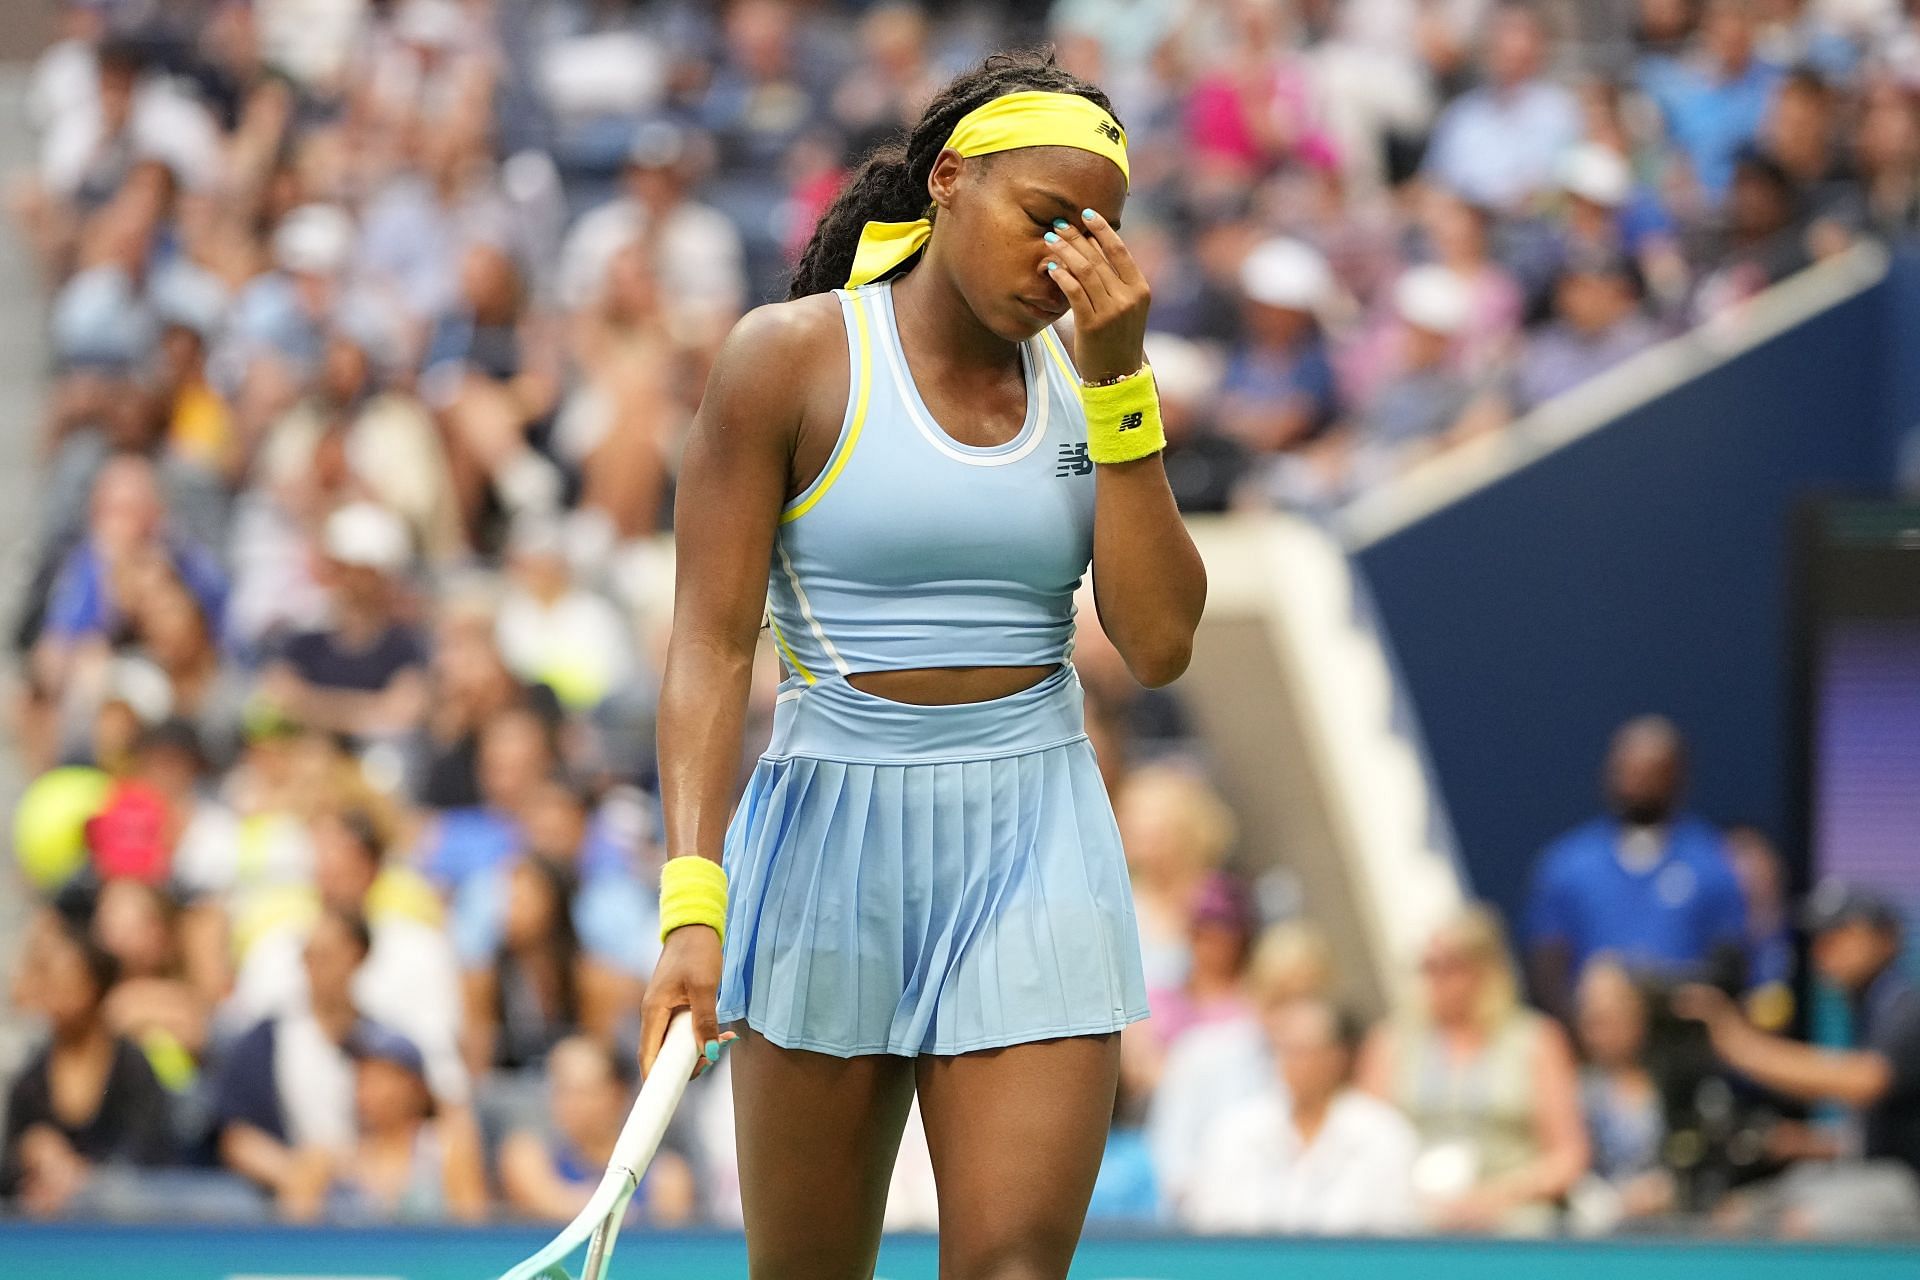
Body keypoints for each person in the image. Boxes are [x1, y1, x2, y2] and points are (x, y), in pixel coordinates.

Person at [638, 51, 1206, 1280]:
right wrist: (693, 898)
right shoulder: (782, 359)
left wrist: (1121, 383)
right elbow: (707, 645)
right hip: (826, 839)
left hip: (1038, 836)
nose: (1064, 262)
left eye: (1093, 234)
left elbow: (1157, 644)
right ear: (949, 180)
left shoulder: (1093, 374)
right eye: (1040, 219)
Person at [1676, 882, 1920, 1237]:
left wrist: (1740, 1044)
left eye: (1843, 932)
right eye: (1821, 936)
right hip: (1876, 1176)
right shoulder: (1867, 1011)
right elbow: (1879, 1132)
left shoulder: (1908, 1007)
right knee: (1739, 1212)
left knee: (1805, 1223)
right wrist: (1806, 1142)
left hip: (1907, 1187)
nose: (1826, 948)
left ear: (1887, 937)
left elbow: (1867, 1081)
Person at [1358, 905, 1590, 1234]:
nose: (1436, 980)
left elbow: (1568, 1158)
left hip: (1512, 1213)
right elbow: (1364, 1145)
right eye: (1427, 967)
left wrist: (1490, 1199)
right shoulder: (1390, 1043)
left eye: (1449, 967)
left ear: (1485, 971)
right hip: (1413, 1214)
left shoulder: (1536, 1041)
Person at [1524, 715, 1748, 1022]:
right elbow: (1547, 966)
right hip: (1590, 1047)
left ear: (1677, 776)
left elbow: (1730, 967)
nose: (1635, 783)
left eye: (1650, 772)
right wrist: (1583, 1034)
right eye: (1626, 770)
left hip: (1682, 1044)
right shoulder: (1567, 864)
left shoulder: (1713, 864)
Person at [1187, 996, 1419, 1235]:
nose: (1292, 1063)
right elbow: (1210, 1224)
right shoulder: (1235, 1131)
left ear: (1337, 1057)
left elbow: (1397, 1231)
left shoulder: (1383, 1133)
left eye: (1304, 1051)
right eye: (1284, 1050)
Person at [1, 914, 175, 1215]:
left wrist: (82, 1179)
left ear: (94, 985)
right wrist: (32, 1154)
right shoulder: (31, 1075)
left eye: (64, 978)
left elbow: (151, 1155)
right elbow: (9, 1165)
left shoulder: (131, 1066)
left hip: (124, 1225)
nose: (52, 989)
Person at [278, 1023, 487, 1224]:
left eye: (379, 1077)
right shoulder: (330, 1162)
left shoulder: (445, 1150)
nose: (366, 1090)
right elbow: (292, 1241)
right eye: (361, 1076)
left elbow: (473, 1236)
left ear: (414, 1086)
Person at [498, 1035, 696, 1225]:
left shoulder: (666, 1175)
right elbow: (545, 1202)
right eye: (561, 1089)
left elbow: (668, 1248)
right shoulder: (527, 1155)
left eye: (583, 1092)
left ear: (618, 1094)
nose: (570, 1104)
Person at [1574, 960, 1674, 1222]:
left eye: (1616, 1017)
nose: (1604, 1033)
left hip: (1673, 1224)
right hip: (1598, 1225)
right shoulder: (1576, 1088)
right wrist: (1615, 1203)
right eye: (1594, 1021)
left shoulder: (1671, 1083)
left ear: (1639, 1016)